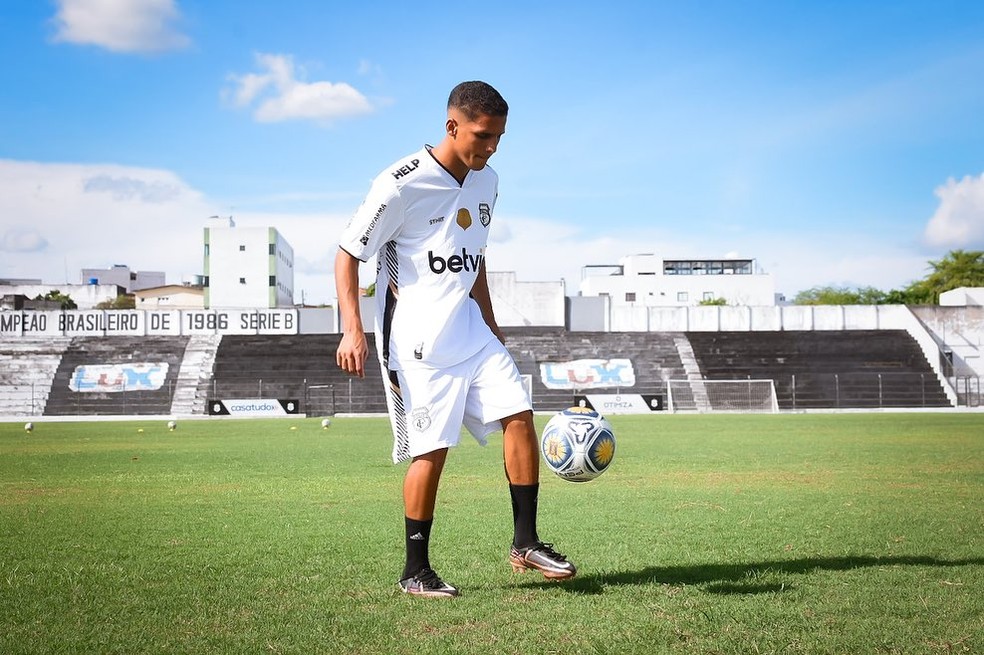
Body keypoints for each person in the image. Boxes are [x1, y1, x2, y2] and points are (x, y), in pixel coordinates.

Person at [334, 81, 576, 598]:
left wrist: (488, 320)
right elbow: (348, 254)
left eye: (498, 139)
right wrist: (352, 328)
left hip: (470, 329)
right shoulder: (401, 183)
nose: (490, 148)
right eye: (483, 136)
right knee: (432, 452)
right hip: (419, 343)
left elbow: (475, 256)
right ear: (452, 126)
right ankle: (414, 571)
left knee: (519, 415)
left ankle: (526, 541)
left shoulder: (488, 182)